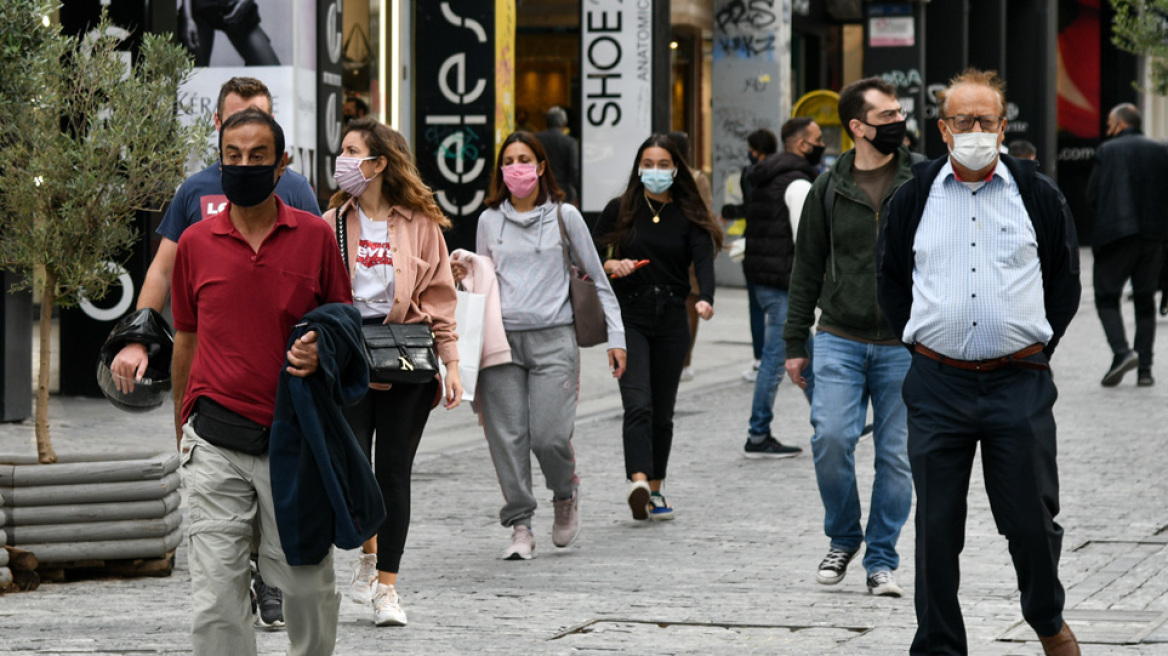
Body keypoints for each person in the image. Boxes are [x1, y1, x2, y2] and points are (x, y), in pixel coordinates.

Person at [879, 69, 1082, 656]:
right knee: (937, 527)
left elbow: (1063, 285)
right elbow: (892, 281)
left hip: (1017, 381)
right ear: (943, 129)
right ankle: (940, 644)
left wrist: (1032, 352)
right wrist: (923, 347)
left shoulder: (1037, 194)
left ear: (1001, 127)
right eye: (961, 121)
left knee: (1030, 521)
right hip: (937, 383)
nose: (973, 130)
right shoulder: (913, 197)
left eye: (984, 121)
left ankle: (1047, 619)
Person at [110, 75, 319, 629]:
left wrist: (325, 352)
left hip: (287, 416)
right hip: (216, 412)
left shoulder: (298, 195)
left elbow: (327, 299)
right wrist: (137, 334)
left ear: (279, 155)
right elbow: (162, 269)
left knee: (301, 574)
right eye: (236, 130)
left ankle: (270, 582)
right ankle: (248, 584)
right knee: (216, 586)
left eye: (260, 128)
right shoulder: (194, 196)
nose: (247, 155)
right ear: (218, 130)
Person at [171, 108, 351, 655]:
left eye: (257, 157)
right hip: (214, 442)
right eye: (233, 156)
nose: (244, 165)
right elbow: (186, 338)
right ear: (219, 160)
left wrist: (325, 349)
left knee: (308, 588)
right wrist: (182, 427)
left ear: (281, 167)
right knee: (216, 601)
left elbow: (343, 327)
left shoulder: (316, 238)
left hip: (293, 444)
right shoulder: (196, 244)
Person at [325, 118, 462, 626]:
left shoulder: (420, 224)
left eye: (352, 151)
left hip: (407, 361)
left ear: (379, 163)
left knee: (394, 474)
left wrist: (452, 364)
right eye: (342, 151)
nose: (342, 160)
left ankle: (388, 588)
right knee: (356, 467)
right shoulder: (332, 221)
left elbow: (442, 299)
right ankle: (368, 553)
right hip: (350, 360)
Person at [782, 77, 915, 598]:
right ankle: (844, 536)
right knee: (831, 438)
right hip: (837, 334)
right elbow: (806, 268)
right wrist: (795, 344)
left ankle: (881, 558)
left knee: (896, 454)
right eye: (886, 116)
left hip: (904, 343)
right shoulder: (828, 188)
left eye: (898, 113)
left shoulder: (921, 179)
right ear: (857, 127)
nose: (897, 123)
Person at [471, 131, 626, 559]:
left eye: (525, 159)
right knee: (507, 438)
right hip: (501, 342)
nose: (516, 167)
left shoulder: (565, 216)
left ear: (540, 167)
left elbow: (597, 277)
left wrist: (618, 337)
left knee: (549, 437)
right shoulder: (488, 221)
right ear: (500, 170)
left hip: (554, 339)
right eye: (509, 160)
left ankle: (565, 491)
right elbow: (481, 286)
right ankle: (520, 525)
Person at [594, 134, 721, 520]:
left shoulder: (688, 214)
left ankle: (655, 489)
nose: (654, 172)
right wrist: (610, 266)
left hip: (671, 318)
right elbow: (590, 253)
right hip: (629, 315)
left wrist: (706, 298)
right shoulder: (621, 209)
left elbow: (704, 260)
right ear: (638, 168)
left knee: (663, 410)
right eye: (647, 164)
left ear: (676, 169)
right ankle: (637, 479)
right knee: (638, 403)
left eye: (663, 165)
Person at [743, 120, 823, 458]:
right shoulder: (798, 183)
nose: (823, 145)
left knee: (809, 356)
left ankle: (829, 419)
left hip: (765, 276)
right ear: (803, 144)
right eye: (818, 140)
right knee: (776, 360)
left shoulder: (768, 175)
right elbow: (806, 241)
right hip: (783, 283)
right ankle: (758, 435)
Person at [1086, 103, 1168, 387]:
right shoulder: (1161, 150)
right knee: (1145, 302)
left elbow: (1092, 195)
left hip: (1116, 236)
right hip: (1153, 237)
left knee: (1106, 297)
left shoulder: (1108, 151)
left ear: (1120, 124)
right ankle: (1145, 369)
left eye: (1110, 122)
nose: (1108, 128)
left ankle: (1122, 352)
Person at [667, 130, 715, 383]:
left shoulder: (664, 176)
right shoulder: (698, 178)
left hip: (667, 248)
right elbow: (706, 214)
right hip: (690, 250)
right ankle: (685, 361)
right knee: (690, 304)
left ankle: (674, 358)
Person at [179, 0, 281, 67]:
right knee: (192, 81)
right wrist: (187, 17)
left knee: (271, 71)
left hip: (235, 5)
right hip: (199, 9)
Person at [534, 106, 580, 204]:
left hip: (540, 191)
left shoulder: (535, 139)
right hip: (564, 193)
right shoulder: (569, 142)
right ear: (564, 123)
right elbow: (573, 171)